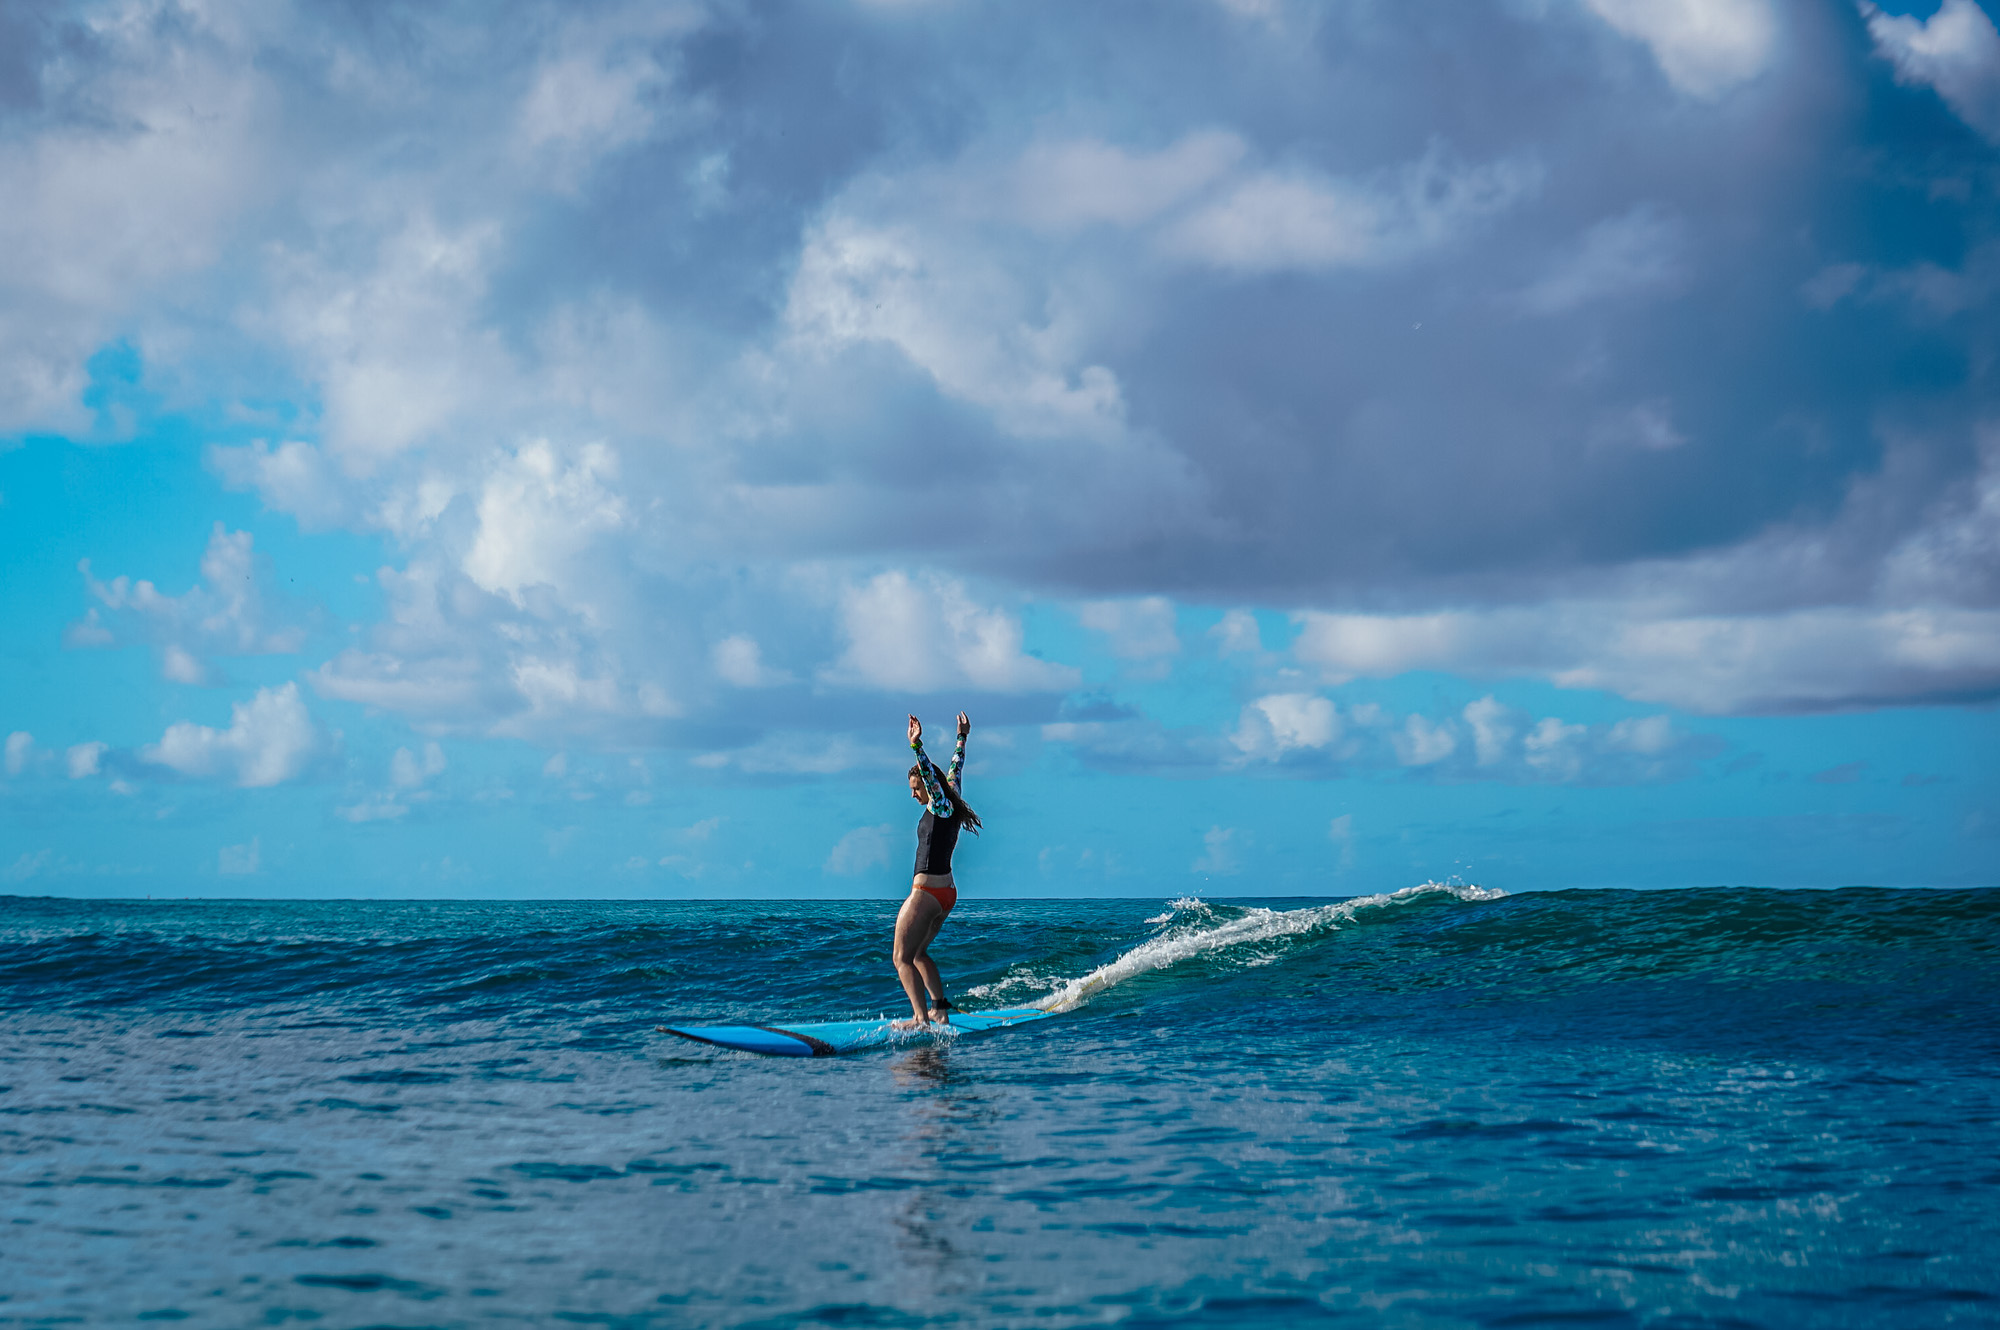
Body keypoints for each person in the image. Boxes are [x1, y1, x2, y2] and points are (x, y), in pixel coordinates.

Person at [893, 711, 981, 1029]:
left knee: (901, 957)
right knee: (918, 954)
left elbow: (932, 774)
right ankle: (939, 1010)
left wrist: (917, 746)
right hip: (947, 893)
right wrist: (962, 737)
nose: (914, 794)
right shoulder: (952, 796)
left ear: (930, 788)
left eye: (916, 788)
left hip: (927, 893)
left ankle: (919, 1019)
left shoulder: (941, 804)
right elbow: (956, 767)